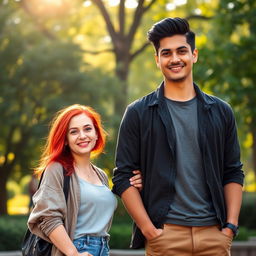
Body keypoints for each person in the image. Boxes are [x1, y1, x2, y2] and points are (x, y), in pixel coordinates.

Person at [112, 17, 244, 256]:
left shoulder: (221, 111)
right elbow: (122, 177)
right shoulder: (138, 113)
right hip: (165, 236)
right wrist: (148, 229)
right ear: (157, 59)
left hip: (214, 235)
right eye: (166, 53)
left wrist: (230, 227)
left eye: (181, 51)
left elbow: (232, 170)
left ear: (194, 55)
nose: (174, 59)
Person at [27, 104, 142, 256]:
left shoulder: (100, 175)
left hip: (102, 248)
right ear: (66, 139)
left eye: (87, 129)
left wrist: (137, 187)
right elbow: (47, 218)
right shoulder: (56, 169)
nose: (82, 136)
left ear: (96, 134)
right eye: (74, 132)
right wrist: (73, 253)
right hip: (73, 249)